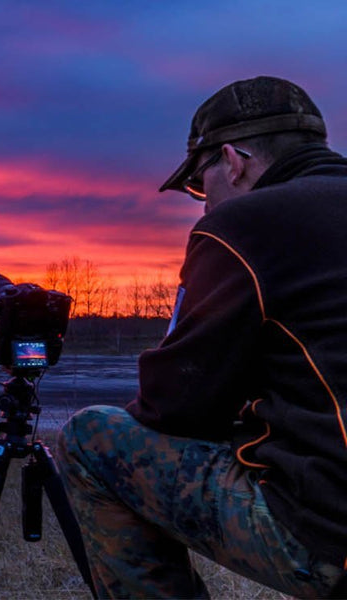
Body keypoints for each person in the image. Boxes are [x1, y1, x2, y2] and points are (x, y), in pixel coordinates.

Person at [57, 75, 347, 598]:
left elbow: (174, 405)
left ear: (233, 161)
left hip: (332, 538)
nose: (203, 203)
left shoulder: (242, 225)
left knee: (90, 438)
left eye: (198, 182)